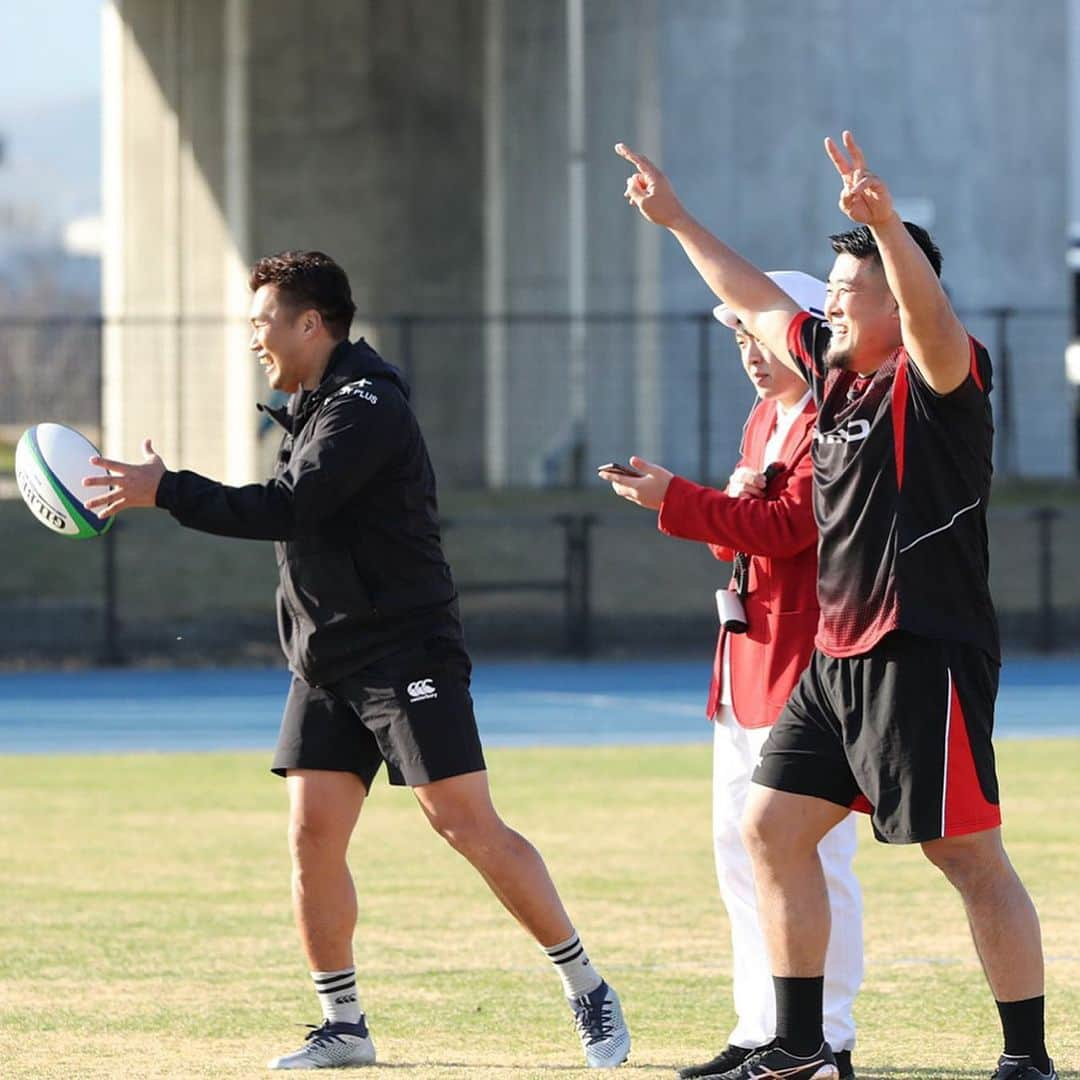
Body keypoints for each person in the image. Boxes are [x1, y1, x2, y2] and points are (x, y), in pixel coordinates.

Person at [82, 250, 631, 1072]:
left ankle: (585, 982)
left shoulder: (365, 406)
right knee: (311, 838)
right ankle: (344, 1025)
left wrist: (169, 490)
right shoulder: (309, 403)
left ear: (311, 322)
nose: (254, 336)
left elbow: (292, 508)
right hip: (327, 660)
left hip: (405, 649)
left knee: (464, 823)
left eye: (263, 320)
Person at [614, 133, 1057, 1080]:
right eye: (834, 292)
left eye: (850, 294)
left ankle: (1027, 1056)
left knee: (969, 860)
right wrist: (677, 217)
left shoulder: (939, 377)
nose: (831, 305)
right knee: (770, 829)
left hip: (921, 651)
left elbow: (929, 322)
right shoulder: (834, 373)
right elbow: (754, 300)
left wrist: (886, 225)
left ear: (893, 303)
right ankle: (803, 1047)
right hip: (838, 653)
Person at [601, 271, 862, 1080]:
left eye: (758, 333)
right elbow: (742, 541)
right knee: (736, 849)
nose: (748, 351)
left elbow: (790, 530)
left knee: (813, 856)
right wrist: (717, 501)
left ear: (804, 329)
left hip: (808, 663)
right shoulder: (765, 416)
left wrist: (679, 499)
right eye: (738, 337)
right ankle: (762, 1029)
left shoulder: (832, 414)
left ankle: (827, 1035)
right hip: (746, 659)